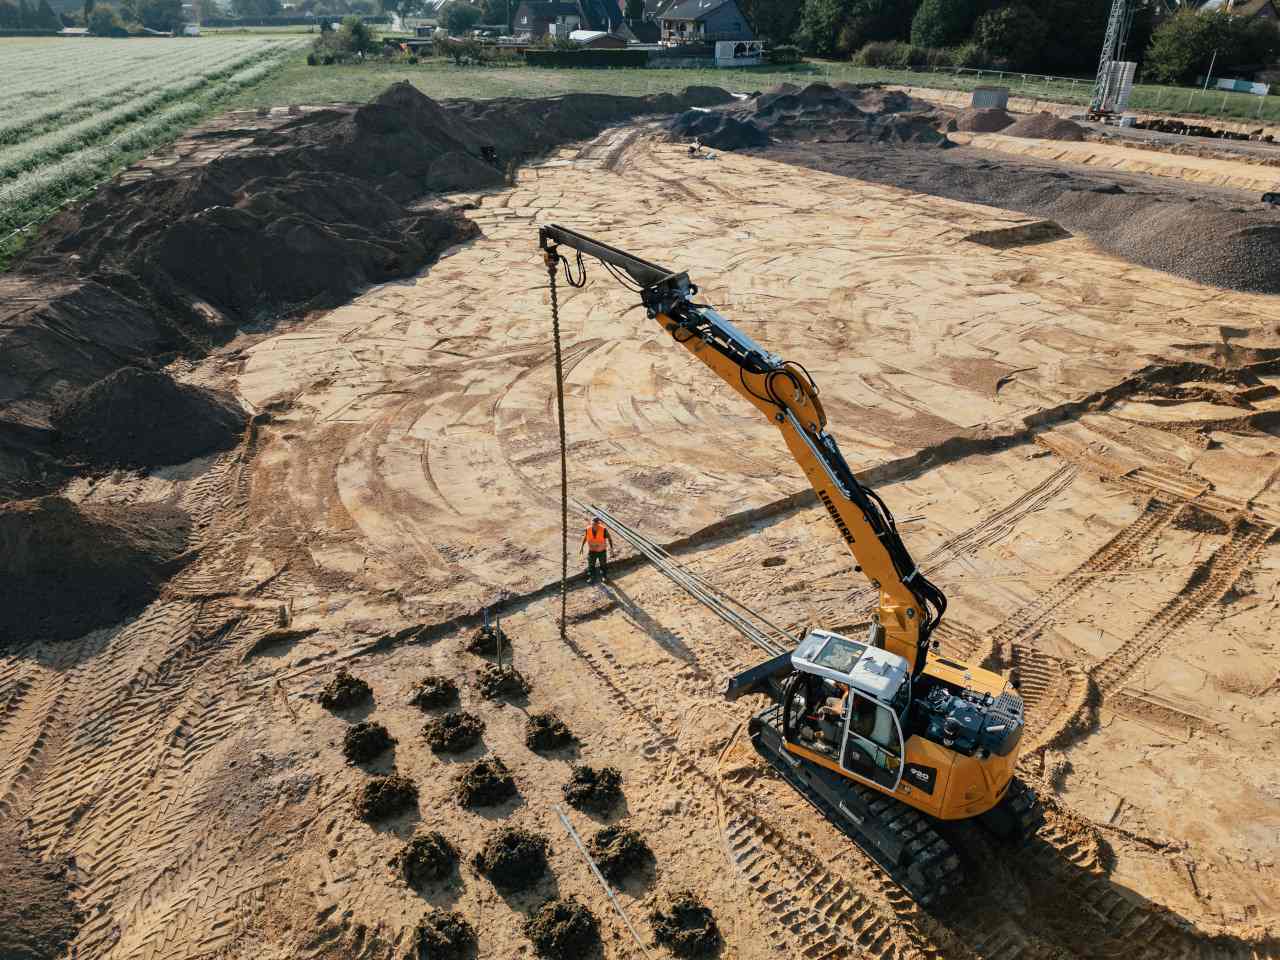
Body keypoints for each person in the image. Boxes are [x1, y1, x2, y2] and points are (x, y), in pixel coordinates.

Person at [580, 516, 613, 583]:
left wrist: (611, 548)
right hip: (592, 550)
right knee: (591, 565)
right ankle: (591, 577)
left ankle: (604, 577)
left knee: (603, 565)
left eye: (595, 524)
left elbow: (609, 538)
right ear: (591, 523)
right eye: (593, 524)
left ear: (598, 524)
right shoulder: (588, 529)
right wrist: (582, 546)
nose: (594, 525)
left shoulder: (603, 530)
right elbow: (585, 537)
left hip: (601, 551)